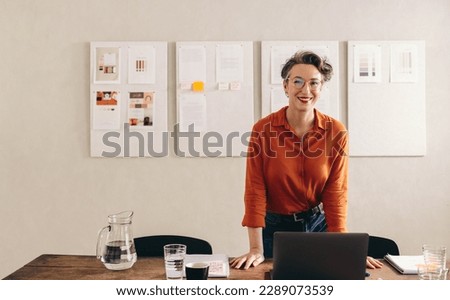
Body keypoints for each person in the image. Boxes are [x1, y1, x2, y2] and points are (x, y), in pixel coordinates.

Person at [230, 51, 382, 270]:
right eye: (298, 81)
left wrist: (343, 247)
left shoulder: (336, 131)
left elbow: (336, 193)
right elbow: (255, 189)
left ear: (321, 88)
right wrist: (256, 248)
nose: (306, 90)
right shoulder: (263, 129)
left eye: (314, 83)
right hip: (274, 229)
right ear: (285, 86)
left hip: (317, 226)